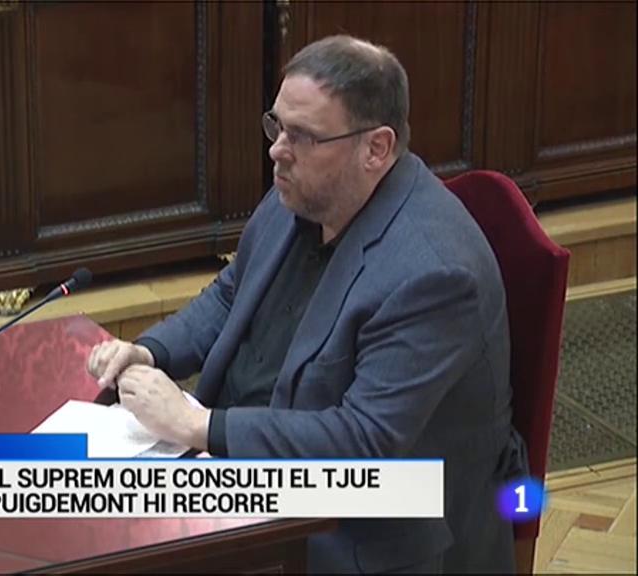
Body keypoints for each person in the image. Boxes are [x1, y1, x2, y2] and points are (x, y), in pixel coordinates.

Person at [86, 35, 525, 573]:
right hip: (239, 466)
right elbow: (230, 295)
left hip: (353, 531)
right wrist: (151, 352)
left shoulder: (434, 274)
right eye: (277, 126)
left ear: (376, 148)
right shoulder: (302, 192)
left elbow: (363, 441)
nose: (277, 150)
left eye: (303, 136)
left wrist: (199, 425)